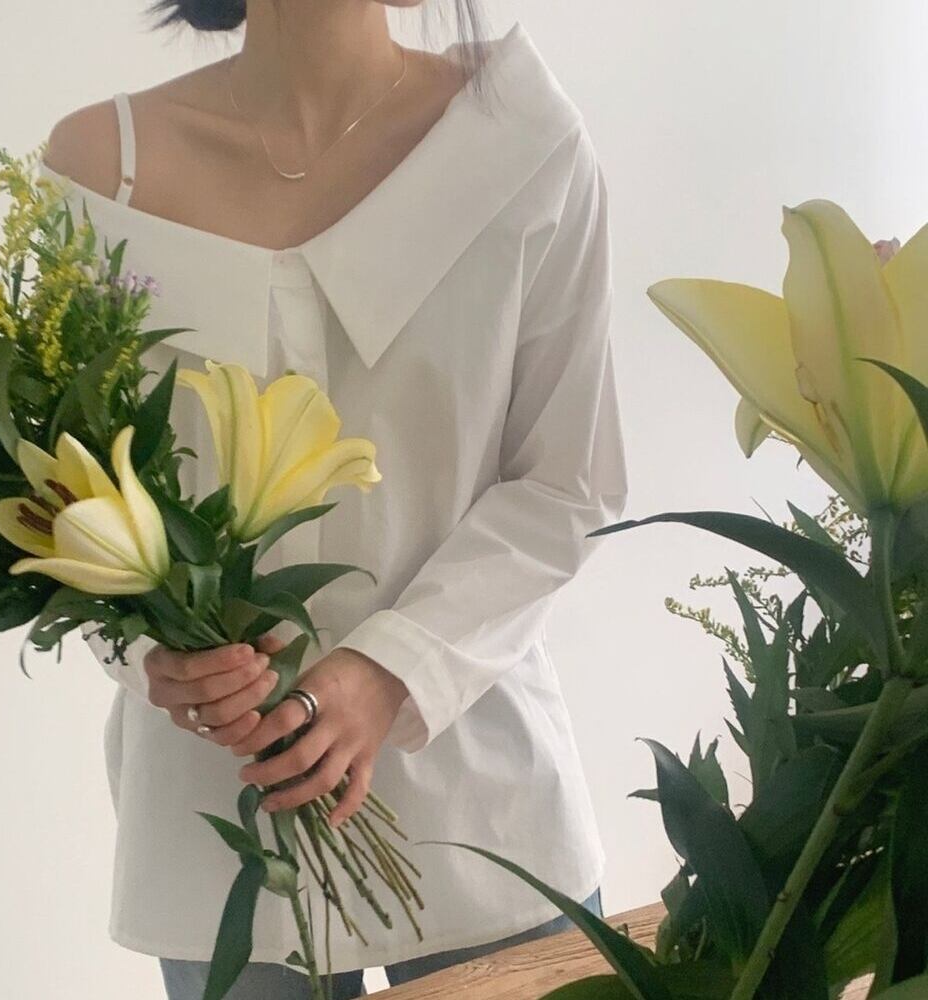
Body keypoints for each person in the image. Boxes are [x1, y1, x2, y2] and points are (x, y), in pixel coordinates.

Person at [40, 2, 628, 996]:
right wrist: (150, 650)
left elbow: (566, 481)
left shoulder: (522, 141)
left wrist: (390, 670)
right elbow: (65, 486)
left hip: (483, 811)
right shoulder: (102, 172)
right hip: (221, 826)